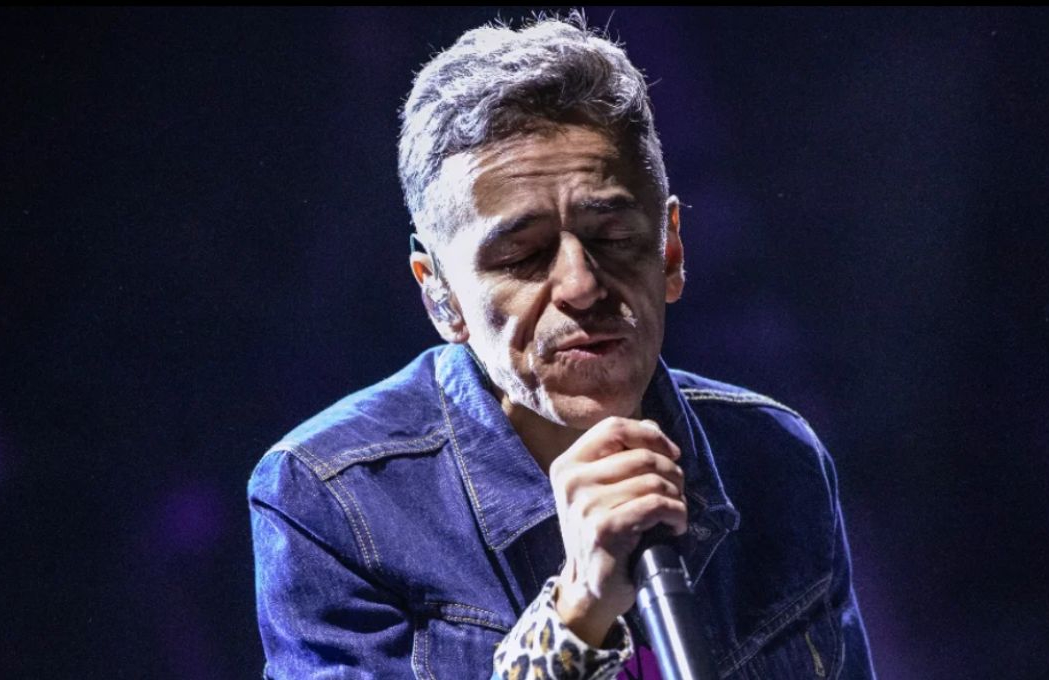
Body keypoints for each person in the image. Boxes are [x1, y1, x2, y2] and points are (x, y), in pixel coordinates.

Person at [248, 12, 876, 679]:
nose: (580, 285)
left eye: (613, 238)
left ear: (670, 251)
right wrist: (575, 615)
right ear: (440, 295)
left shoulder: (774, 456)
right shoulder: (333, 498)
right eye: (522, 255)